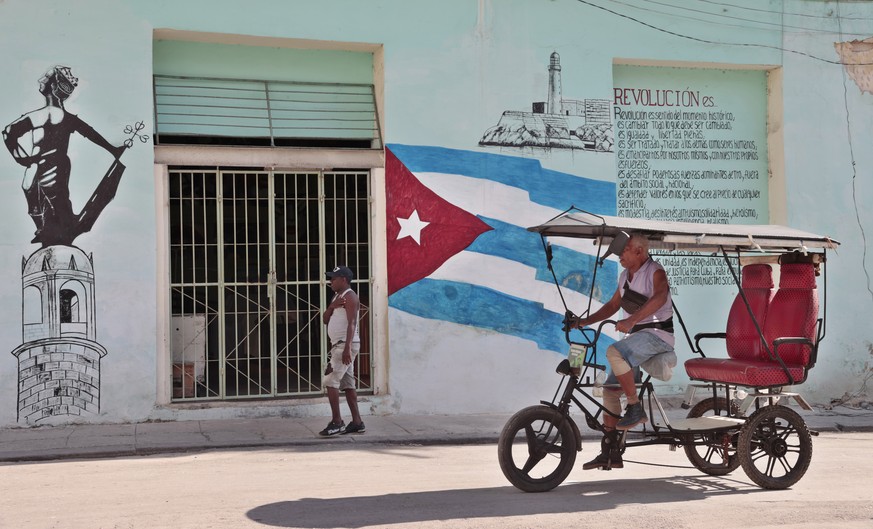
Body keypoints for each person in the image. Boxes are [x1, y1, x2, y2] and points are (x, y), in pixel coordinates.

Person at [572, 232, 674, 470]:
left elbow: (660, 297)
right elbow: (612, 305)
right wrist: (583, 322)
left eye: (625, 250)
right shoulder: (624, 277)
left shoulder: (655, 271)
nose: (620, 254)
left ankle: (635, 407)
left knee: (614, 352)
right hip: (636, 339)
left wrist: (632, 320)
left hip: (658, 336)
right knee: (609, 390)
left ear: (639, 251)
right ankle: (610, 452)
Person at [3, 66, 126, 246]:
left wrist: (23, 159)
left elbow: (8, 133)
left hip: (45, 165)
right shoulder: (63, 118)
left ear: (52, 87)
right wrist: (112, 149)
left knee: (48, 198)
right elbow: (91, 134)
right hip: (45, 165)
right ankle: (45, 229)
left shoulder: (39, 117)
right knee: (43, 197)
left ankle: (49, 229)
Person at [319, 266, 366, 436]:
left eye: (334, 278)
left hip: (344, 345)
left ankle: (337, 422)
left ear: (344, 279)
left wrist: (347, 347)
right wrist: (332, 306)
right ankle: (357, 422)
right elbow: (325, 319)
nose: (331, 281)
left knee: (330, 381)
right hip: (339, 345)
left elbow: (352, 323)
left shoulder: (351, 297)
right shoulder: (337, 297)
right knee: (347, 384)